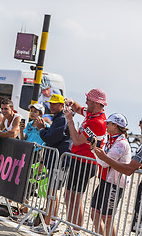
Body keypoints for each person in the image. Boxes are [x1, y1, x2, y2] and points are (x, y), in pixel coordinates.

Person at [63, 89, 107, 236]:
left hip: (86, 163)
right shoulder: (91, 113)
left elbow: (76, 140)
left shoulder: (98, 122)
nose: (86, 102)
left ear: (95, 102)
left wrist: (70, 120)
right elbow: (76, 106)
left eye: (88, 99)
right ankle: (70, 229)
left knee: (76, 199)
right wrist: (70, 101)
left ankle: (75, 232)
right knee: (68, 196)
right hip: (78, 159)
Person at [31, 94, 72, 234]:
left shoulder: (61, 118)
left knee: (52, 193)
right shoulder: (58, 118)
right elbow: (51, 137)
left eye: (55, 103)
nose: (52, 105)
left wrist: (42, 129)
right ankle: (51, 223)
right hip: (56, 160)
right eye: (51, 103)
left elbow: (52, 138)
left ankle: (48, 224)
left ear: (62, 105)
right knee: (51, 192)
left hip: (60, 161)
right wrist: (44, 130)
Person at [89, 113, 131, 236]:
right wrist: (95, 149)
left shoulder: (121, 143)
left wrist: (94, 151)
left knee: (107, 218)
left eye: (108, 123)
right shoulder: (111, 138)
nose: (105, 125)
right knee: (94, 213)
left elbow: (104, 162)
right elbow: (103, 158)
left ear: (115, 125)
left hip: (114, 184)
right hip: (104, 179)